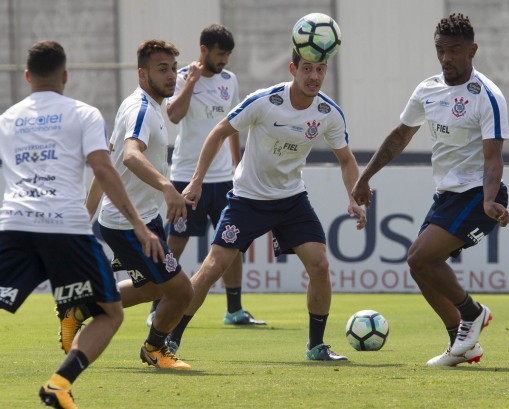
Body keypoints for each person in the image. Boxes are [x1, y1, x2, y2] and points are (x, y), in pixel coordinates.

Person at [170, 48, 367, 360]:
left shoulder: (328, 113)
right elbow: (219, 131)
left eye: (320, 69)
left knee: (320, 264)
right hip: (247, 198)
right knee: (212, 268)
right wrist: (196, 180)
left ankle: (316, 347)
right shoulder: (265, 100)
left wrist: (354, 197)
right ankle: (170, 339)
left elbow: (345, 160)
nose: (314, 76)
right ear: (293, 69)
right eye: (307, 69)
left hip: (291, 200)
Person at [0, 40, 164, 409]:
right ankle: (59, 384)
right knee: (110, 313)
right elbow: (103, 170)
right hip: (65, 228)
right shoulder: (84, 114)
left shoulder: (7, 119)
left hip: (15, 225)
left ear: (27, 77)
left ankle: (59, 385)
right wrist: (138, 224)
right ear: (65, 76)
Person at [352, 13, 509, 367]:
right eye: (441, 50)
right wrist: (365, 177)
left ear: (473, 50)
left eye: (455, 50)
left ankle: (473, 313)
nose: (447, 58)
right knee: (421, 267)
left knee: (420, 257)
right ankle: (463, 344)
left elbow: (493, 157)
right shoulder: (428, 89)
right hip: (448, 195)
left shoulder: (488, 95)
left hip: (479, 195)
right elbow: (400, 136)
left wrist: (488, 199)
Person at [146, 24, 266, 341]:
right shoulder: (182, 76)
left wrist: (238, 165)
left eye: (227, 55)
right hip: (188, 176)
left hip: (225, 178)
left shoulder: (230, 81)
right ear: (204, 50)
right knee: (177, 242)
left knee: (233, 243)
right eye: (220, 53)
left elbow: (233, 125)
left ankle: (235, 310)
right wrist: (193, 82)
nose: (224, 60)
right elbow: (173, 116)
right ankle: (156, 307)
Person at [86, 39, 195, 370]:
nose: (171, 76)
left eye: (174, 69)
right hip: (129, 224)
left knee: (151, 288)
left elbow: (108, 161)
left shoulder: (140, 105)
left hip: (139, 218)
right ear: (141, 73)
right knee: (182, 292)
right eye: (162, 69)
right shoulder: (142, 110)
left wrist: (84, 214)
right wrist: (167, 187)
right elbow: (131, 156)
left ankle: (84, 304)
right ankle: (155, 349)